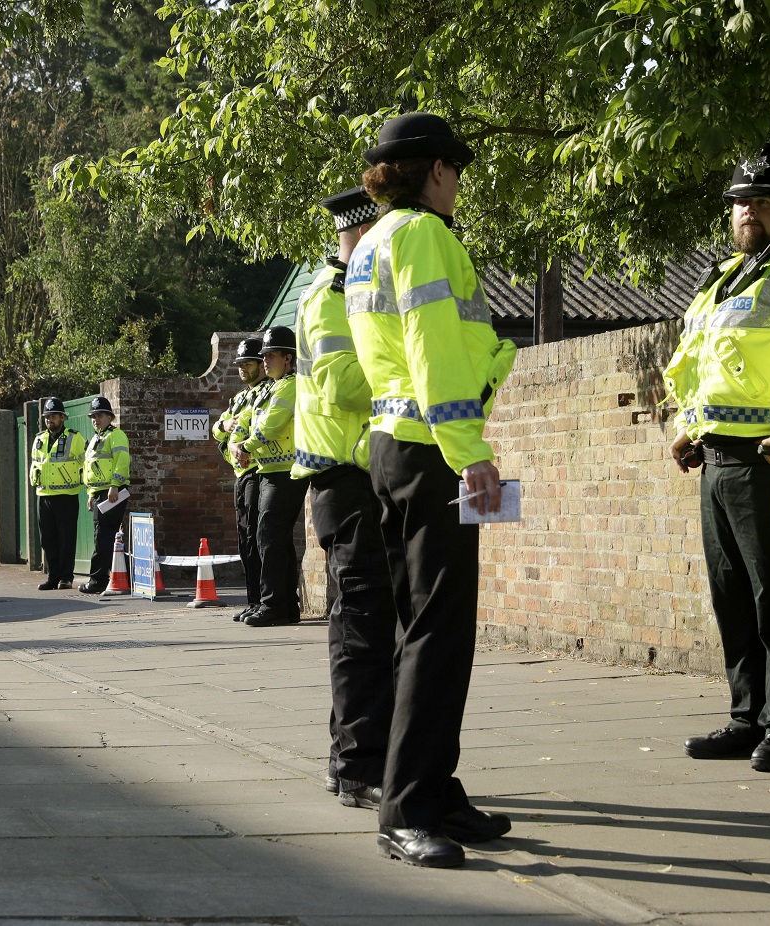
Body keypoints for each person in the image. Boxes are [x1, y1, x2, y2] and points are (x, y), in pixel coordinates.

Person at [344, 112, 517, 868]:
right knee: (436, 635)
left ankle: (436, 792)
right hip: (431, 449)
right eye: (457, 171)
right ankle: (407, 810)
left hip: (393, 445)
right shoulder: (423, 236)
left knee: (425, 630)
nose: (459, 186)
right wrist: (469, 448)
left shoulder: (371, 242)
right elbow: (433, 345)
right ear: (437, 171)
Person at [662, 143, 770, 773]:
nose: (748, 214)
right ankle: (747, 717)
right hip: (716, 460)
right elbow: (698, 369)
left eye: (762, 203)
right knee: (732, 593)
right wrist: (687, 426)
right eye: (740, 203)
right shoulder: (719, 280)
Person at [292, 185, 395, 810]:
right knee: (360, 628)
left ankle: (347, 760)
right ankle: (358, 767)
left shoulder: (355, 296)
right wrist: (416, 370)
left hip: (359, 479)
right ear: (356, 237)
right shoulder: (330, 300)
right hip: (346, 479)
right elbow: (343, 385)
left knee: (364, 624)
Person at [233, 325, 307, 626]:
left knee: (269, 537)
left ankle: (273, 604)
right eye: (263, 356)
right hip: (268, 470)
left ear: (288, 358)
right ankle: (286, 606)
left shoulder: (290, 385)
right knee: (276, 538)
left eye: (270, 356)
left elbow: (272, 424)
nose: (264, 362)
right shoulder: (269, 388)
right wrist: (237, 439)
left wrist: (247, 445)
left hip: (284, 472)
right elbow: (245, 419)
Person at [213, 338, 270, 621]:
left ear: (262, 363)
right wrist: (223, 426)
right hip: (240, 473)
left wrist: (237, 444)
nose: (242, 369)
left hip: (257, 471)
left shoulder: (265, 392)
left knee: (257, 539)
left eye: (247, 364)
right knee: (245, 540)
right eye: (239, 365)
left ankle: (262, 601)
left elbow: (253, 426)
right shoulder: (238, 398)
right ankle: (252, 600)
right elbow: (217, 429)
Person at [29, 397, 86, 591]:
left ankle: (66, 578)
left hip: (67, 496)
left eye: (53, 416)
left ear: (62, 417)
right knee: (47, 539)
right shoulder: (39, 439)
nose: (49, 420)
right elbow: (36, 464)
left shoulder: (75, 438)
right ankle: (52, 577)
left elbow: (86, 462)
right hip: (44, 495)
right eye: (47, 417)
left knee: (66, 538)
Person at [80, 395, 130, 593]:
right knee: (102, 535)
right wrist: (91, 493)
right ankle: (117, 577)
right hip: (101, 493)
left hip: (112, 492)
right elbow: (91, 468)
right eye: (93, 416)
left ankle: (98, 580)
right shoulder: (95, 438)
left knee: (103, 536)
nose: (96, 419)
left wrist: (115, 485)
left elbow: (122, 461)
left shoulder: (115, 435)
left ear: (110, 417)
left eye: (100, 415)